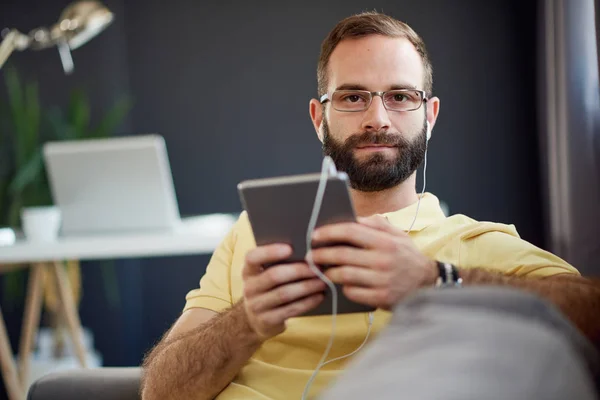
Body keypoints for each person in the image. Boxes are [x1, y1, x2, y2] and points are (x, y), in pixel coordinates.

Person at [140, 11, 600, 400]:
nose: (377, 118)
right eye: (353, 97)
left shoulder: (476, 243)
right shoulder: (254, 232)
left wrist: (434, 279)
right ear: (319, 119)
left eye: (400, 97)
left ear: (430, 115)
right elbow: (158, 390)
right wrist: (247, 322)